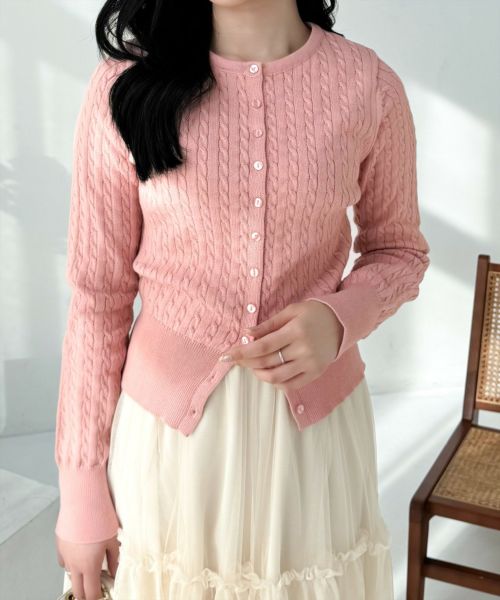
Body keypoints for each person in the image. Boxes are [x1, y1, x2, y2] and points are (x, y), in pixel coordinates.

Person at [54, 0, 430, 599]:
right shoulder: (125, 88)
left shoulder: (369, 86)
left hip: (314, 444)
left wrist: (340, 320)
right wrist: (81, 492)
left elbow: (399, 250)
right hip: (168, 447)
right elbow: (98, 299)